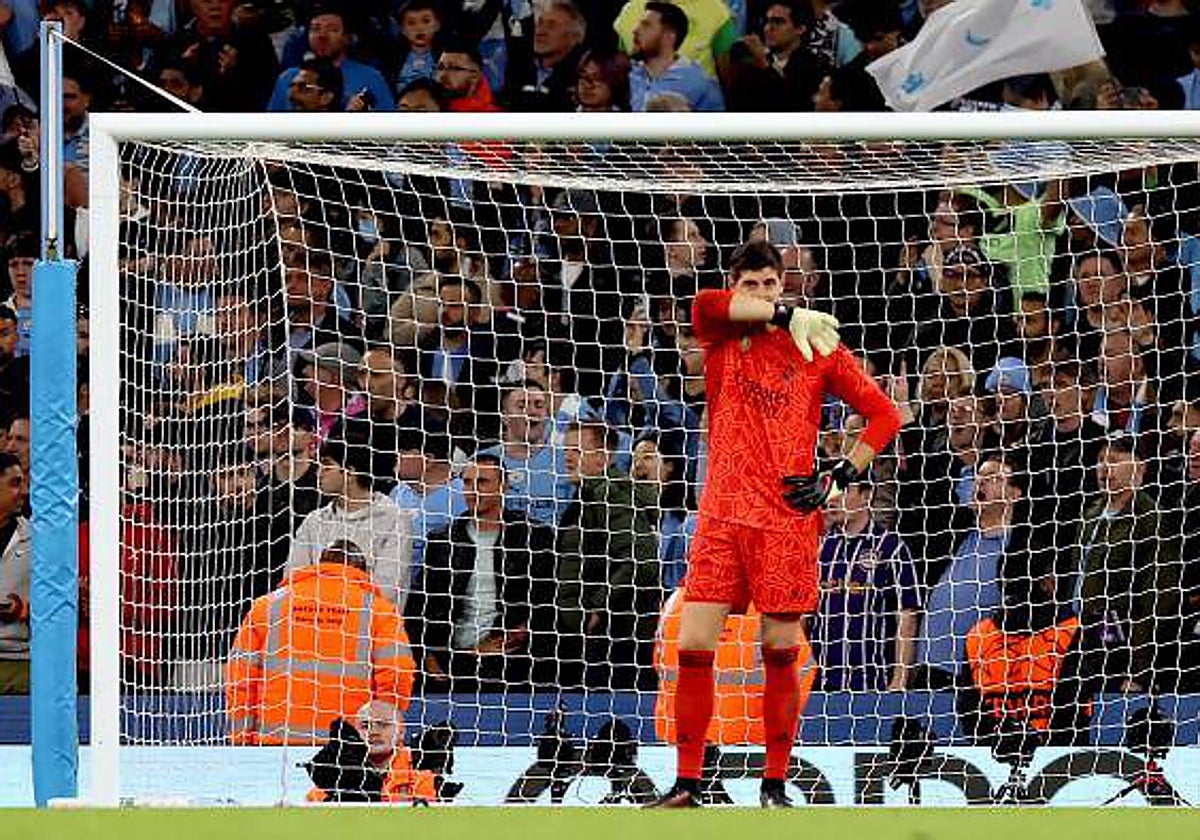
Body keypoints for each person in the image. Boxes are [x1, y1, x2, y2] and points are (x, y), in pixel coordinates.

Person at [650, 239, 901, 809]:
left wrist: (839, 475)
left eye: (773, 285)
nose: (763, 294)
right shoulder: (718, 329)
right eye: (753, 285)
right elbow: (704, 303)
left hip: (786, 520)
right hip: (720, 514)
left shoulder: (815, 349)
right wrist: (786, 313)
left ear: (783, 283)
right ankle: (688, 782)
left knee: (779, 646)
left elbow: (885, 415)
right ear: (738, 287)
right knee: (692, 644)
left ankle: (774, 785)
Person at [226, 540, 416, 745]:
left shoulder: (267, 606)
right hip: (349, 748)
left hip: (275, 745)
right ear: (363, 571)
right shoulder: (380, 611)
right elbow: (397, 674)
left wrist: (241, 740)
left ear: (319, 564)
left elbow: (240, 678)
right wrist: (383, 735)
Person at [407, 455, 557, 691]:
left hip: (510, 660)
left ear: (504, 486)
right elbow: (421, 606)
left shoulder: (534, 536)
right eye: (467, 482)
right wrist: (428, 657)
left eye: (483, 482)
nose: (472, 490)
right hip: (450, 662)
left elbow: (548, 600)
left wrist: (521, 631)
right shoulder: (443, 540)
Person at [556, 419, 661, 690]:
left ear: (602, 457)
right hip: (603, 637)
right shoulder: (590, 495)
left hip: (617, 640)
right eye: (566, 450)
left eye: (577, 451)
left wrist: (598, 608)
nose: (567, 457)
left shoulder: (609, 494)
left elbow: (642, 560)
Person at [1072, 434, 1181, 693]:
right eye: (1100, 460)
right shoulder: (1090, 514)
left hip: (1116, 645)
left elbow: (1157, 600)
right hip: (1078, 637)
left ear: (1140, 468)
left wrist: (1138, 671)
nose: (1104, 468)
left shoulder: (1152, 520)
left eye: (1114, 460)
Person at [914, 454, 1024, 689]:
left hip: (974, 680)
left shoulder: (1020, 551)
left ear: (1015, 494)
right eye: (979, 477)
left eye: (993, 478)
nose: (980, 483)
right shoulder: (955, 536)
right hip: (926, 670)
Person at [812, 473, 920, 692]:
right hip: (818, 687)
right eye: (829, 490)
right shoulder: (820, 548)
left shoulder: (891, 547)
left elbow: (907, 616)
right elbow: (804, 616)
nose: (832, 498)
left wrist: (899, 681)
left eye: (843, 490)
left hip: (872, 686)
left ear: (866, 495)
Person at [287, 432, 413, 613]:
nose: (318, 473)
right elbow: (294, 579)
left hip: (370, 631)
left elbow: (386, 592)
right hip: (314, 624)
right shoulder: (314, 521)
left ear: (350, 472)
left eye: (327, 466)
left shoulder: (395, 521)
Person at [306, 699, 438, 803]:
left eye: (383, 724)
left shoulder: (423, 779)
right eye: (365, 726)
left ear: (401, 732)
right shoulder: (331, 780)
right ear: (356, 733)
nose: (373, 732)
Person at [267, 8, 394, 112]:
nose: (322, 35)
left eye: (332, 29)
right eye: (315, 29)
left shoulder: (371, 77)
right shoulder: (287, 77)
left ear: (348, 38)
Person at [389, 425, 466, 581]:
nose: (395, 456)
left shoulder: (464, 497)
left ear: (428, 460)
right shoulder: (397, 492)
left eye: (403, 452)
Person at [629, 2, 725, 112]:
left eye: (646, 25)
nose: (635, 30)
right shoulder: (626, 75)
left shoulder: (701, 84)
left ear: (669, 37)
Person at [505, 0, 588, 111]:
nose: (540, 31)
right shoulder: (518, 67)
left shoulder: (583, 77)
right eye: (539, 23)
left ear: (574, 38)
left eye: (551, 26)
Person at [0, 453, 29, 693]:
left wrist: (23, 609)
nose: (24, 491)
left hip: (19, 664)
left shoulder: (38, 539)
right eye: (15, 483)